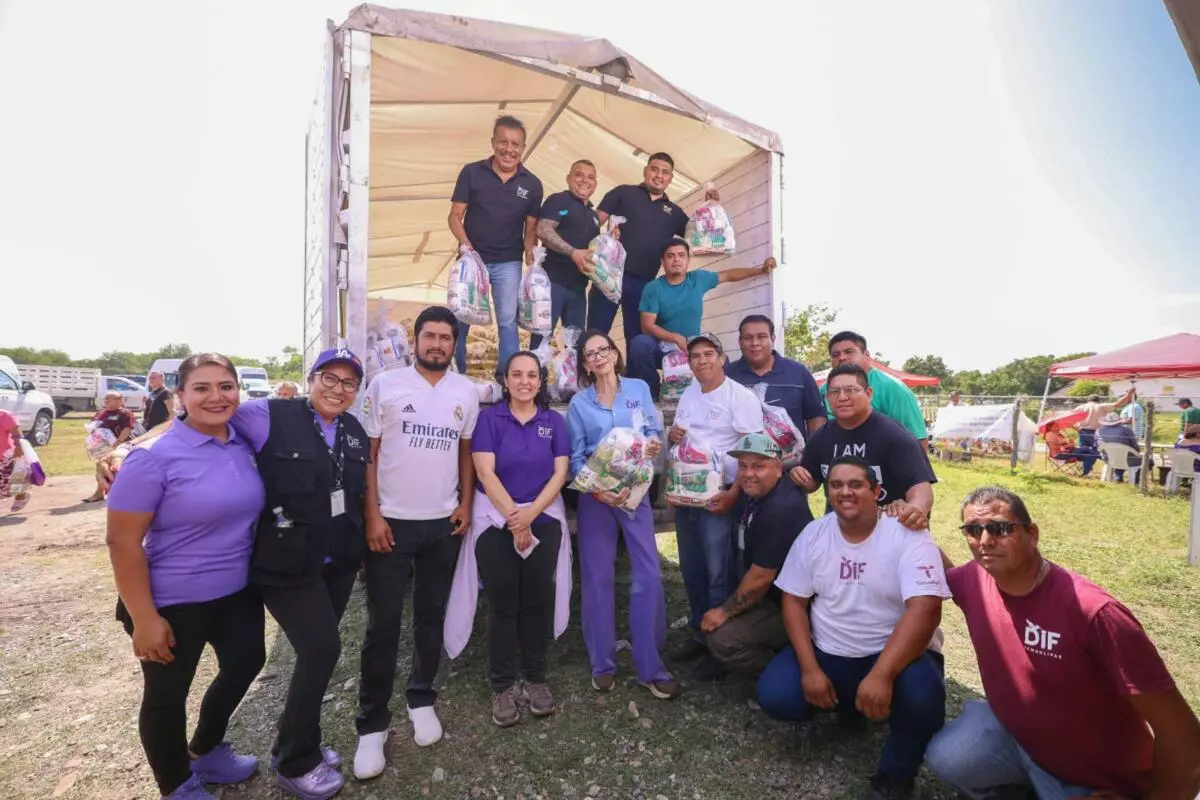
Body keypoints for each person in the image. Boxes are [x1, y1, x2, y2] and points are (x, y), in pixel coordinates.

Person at [925, 486, 1200, 799]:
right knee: (947, 757)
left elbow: (1183, 736)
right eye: (973, 530)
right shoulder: (975, 580)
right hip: (1020, 740)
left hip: (1097, 779)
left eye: (1000, 528)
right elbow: (938, 571)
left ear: (1033, 534)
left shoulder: (1095, 613)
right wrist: (900, 523)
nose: (985, 540)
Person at [105, 353, 266, 800]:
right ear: (180, 396)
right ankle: (176, 784)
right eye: (201, 388)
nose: (216, 396)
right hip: (173, 598)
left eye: (226, 386)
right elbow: (122, 542)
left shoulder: (242, 442)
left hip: (236, 591)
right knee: (167, 695)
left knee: (246, 663)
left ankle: (206, 750)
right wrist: (144, 617)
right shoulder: (153, 457)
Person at [757, 457, 950, 800]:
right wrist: (810, 669)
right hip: (830, 650)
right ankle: (850, 706)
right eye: (836, 485)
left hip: (892, 653)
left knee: (924, 702)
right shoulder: (815, 533)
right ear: (828, 492)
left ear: (877, 491)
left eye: (856, 485)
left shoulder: (907, 533)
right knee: (776, 695)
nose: (845, 492)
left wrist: (883, 675)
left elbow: (926, 608)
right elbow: (793, 601)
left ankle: (896, 775)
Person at [228, 348, 371, 799]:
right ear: (311, 379)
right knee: (324, 648)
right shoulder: (267, 415)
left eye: (349, 383)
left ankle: (293, 744)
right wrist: (135, 452)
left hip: (337, 560)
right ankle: (295, 763)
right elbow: (205, 418)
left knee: (316, 656)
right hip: (285, 564)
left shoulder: (353, 430)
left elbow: (355, 490)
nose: (338, 389)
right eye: (329, 378)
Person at [353, 306, 479, 781]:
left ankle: (421, 696)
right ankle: (372, 723)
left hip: (441, 526)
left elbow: (465, 451)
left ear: (454, 344)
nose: (438, 345)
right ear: (416, 339)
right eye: (430, 336)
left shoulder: (465, 391)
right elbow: (369, 453)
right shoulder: (384, 384)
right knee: (382, 625)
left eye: (447, 338)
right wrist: (373, 515)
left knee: (430, 615)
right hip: (391, 525)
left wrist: (465, 504)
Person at [566, 330, 680, 700]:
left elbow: (653, 432)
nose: (598, 357)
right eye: (590, 354)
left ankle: (650, 664)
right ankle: (602, 663)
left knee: (647, 572)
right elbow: (576, 456)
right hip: (596, 497)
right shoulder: (579, 405)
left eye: (604, 350)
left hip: (636, 492)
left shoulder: (639, 390)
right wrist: (597, 486)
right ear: (584, 364)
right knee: (597, 577)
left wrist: (651, 443)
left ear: (615, 354)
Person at [468, 350, 570, 725]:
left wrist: (530, 515)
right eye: (517, 375)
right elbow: (485, 472)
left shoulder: (553, 421)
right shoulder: (489, 419)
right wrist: (516, 517)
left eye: (532, 375)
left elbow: (560, 475)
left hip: (543, 518)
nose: (524, 381)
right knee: (502, 602)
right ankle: (502, 685)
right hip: (497, 521)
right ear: (505, 380)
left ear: (540, 381)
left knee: (536, 600)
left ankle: (536, 679)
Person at [666, 332, 764, 679]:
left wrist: (735, 493)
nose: (702, 361)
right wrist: (672, 437)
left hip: (720, 495)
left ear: (722, 358)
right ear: (689, 363)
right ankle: (698, 630)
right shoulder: (690, 394)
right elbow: (680, 439)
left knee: (718, 570)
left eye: (709, 354)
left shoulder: (740, 397)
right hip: (686, 495)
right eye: (695, 356)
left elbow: (753, 452)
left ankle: (720, 643)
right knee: (692, 567)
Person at [703, 433, 814, 678]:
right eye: (742, 466)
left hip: (794, 605)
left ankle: (785, 671)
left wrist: (724, 612)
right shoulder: (756, 492)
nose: (747, 473)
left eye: (758, 466)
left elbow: (761, 577)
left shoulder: (781, 509)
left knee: (723, 640)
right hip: (772, 596)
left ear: (777, 467)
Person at [448, 115, 544, 377]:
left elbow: (531, 229)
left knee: (507, 322)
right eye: (503, 142)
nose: (509, 149)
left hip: (508, 263)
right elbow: (455, 216)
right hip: (472, 261)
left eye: (516, 144)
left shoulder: (532, 184)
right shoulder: (472, 172)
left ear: (523, 148)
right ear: (493, 142)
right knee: (460, 318)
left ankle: (507, 379)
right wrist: (466, 246)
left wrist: (531, 259)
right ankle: (455, 375)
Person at [792, 364, 936, 531]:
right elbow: (812, 482)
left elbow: (921, 488)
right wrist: (799, 476)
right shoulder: (820, 438)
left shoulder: (896, 437)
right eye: (834, 392)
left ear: (868, 394)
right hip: (843, 530)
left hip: (892, 527)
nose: (842, 397)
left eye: (851, 390)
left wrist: (915, 509)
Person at [628, 239, 776, 399]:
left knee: (721, 359)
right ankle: (652, 395)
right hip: (662, 349)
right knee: (639, 344)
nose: (676, 259)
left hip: (691, 347)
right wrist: (674, 337)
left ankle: (720, 399)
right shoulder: (654, 288)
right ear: (663, 262)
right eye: (670, 256)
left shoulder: (697, 279)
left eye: (681, 255)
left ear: (687, 260)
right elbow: (647, 326)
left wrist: (760, 270)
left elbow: (728, 275)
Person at [587, 152, 694, 345]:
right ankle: (586, 376)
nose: (659, 175)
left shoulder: (675, 212)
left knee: (638, 341)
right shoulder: (623, 192)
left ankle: (636, 376)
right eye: (654, 169)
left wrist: (711, 206)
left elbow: (698, 237)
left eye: (665, 172)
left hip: (645, 285)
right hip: (608, 274)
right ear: (645, 171)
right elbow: (591, 224)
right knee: (595, 334)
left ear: (670, 178)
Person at [532, 160, 600, 349]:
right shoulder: (560, 199)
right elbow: (543, 229)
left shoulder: (594, 216)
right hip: (552, 283)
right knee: (541, 338)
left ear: (595, 184)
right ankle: (537, 377)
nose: (585, 180)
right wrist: (572, 252)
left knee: (577, 345)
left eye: (590, 177)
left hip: (578, 288)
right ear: (568, 178)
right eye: (579, 175)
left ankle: (574, 379)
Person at [726, 314, 826, 439]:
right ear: (740, 342)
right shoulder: (726, 376)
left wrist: (811, 451)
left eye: (762, 337)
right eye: (748, 338)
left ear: (773, 339)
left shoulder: (798, 372)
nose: (755, 343)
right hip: (741, 456)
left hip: (792, 456)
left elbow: (816, 416)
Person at [821, 332, 928, 446]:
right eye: (835, 354)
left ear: (866, 355)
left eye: (849, 352)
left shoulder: (893, 388)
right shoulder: (824, 390)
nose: (842, 358)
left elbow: (918, 440)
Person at [84, 391, 138, 502]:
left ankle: (113, 493)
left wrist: (118, 442)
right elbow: (93, 425)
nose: (107, 400)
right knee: (101, 468)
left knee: (113, 469)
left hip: (118, 446)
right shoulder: (101, 412)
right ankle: (101, 493)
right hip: (101, 446)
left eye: (110, 398)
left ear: (120, 400)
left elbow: (127, 428)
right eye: (106, 398)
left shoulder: (125, 413)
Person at [1, 409, 32, 513]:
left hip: (6, 456)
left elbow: (16, 433)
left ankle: (22, 495)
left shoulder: (4, 415)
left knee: (11, 484)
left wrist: (19, 447)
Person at [1097, 411, 1141, 482]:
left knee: (1119, 456)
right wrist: (1137, 453)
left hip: (1108, 459)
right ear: (1119, 421)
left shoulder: (1098, 431)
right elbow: (1135, 446)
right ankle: (1135, 481)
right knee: (1148, 461)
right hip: (1128, 459)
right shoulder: (1126, 430)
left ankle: (1118, 478)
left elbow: (1097, 446)